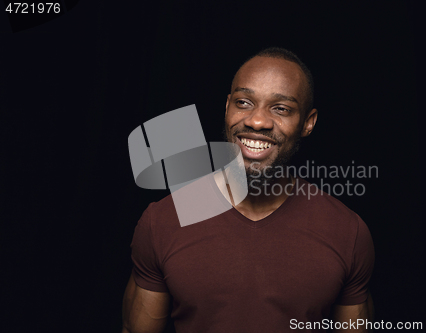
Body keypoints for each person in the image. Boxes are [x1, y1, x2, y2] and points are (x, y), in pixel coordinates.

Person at [122, 47, 375, 333]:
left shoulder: (346, 231)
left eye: (281, 108)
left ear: (308, 122)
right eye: (244, 102)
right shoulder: (164, 220)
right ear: (227, 106)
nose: (257, 121)